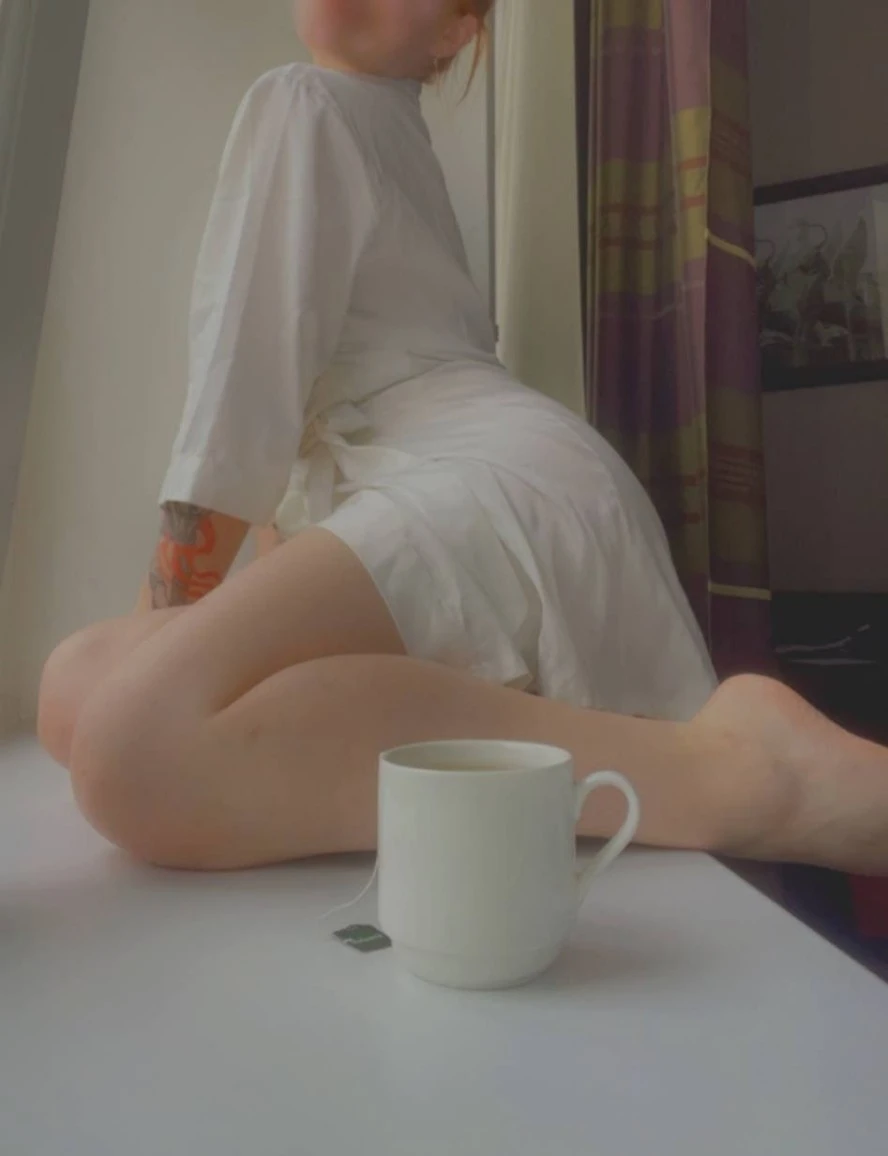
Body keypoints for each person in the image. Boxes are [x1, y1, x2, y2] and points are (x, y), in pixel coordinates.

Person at [38, 0, 888, 876]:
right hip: (508, 481)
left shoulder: (306, 102)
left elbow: (244, 400)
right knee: (72, 685)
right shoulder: (381, 125)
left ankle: (742, 772)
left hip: (484, 483)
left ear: (454, 32)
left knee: (128, 749)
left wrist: (166, 648)